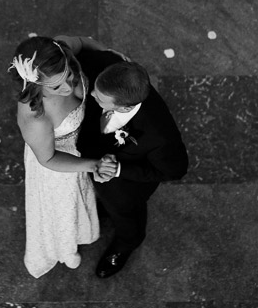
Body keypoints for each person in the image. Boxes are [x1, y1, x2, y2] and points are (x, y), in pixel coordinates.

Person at [60, 35, 188, 278]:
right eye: (96, 90)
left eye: (99, 98)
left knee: (126, 215)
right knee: (102, 200)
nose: (91, 97)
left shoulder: (160, 135)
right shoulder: (104, 66)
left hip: (125, 186)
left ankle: (126, 244)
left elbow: (174, 171)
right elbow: (69, 47)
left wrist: (118, 169)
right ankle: (103, 208)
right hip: (92, 157)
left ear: (125, 107)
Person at [10, 36, 117, 278]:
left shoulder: (58, 52)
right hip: (60, 165)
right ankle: (67, 248)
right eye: (57, 87)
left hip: (87, 141)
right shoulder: (35, 118)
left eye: (69, 75)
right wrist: (92, 165)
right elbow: (47, 159)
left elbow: (82, 41)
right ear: (35, 86)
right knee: (66, 210)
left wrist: (111, 54)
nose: (69, 87)